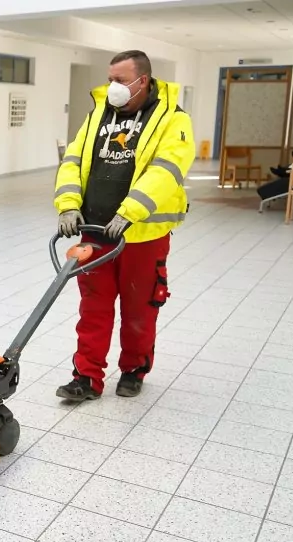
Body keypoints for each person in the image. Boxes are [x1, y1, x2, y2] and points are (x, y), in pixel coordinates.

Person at [53, 50, 194, 401]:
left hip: (142, 234)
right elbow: (73, 159)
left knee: (139, 308)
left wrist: (130, 211)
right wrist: (68, 205)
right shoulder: (98, 114)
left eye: (120, 80)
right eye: (110, 78)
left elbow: (167, 170)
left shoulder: (172, 119)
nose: (112, 86)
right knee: (93, 308)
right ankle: (86, 377)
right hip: (95, 232)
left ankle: (133, 370)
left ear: (142, 80)